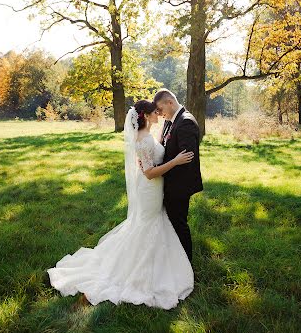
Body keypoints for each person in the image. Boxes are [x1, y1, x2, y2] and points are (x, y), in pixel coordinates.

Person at [47, 100, 195, 310]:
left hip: (153, 189)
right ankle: (138, 270)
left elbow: (147, 163)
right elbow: (149, 173)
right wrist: (175, 162)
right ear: (145, 115)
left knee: (152, 224)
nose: (158, 114)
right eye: (155, 112)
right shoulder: (143, 140)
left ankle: (160, 265)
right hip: (150, 188)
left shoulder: (148, 136)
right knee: (148, 225)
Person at [153, 89, 203, 264]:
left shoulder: (186, 122)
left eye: (160, 109)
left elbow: (186, 158)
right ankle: (174, 260)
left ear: (170, 103)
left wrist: (160, 169)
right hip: (168, 182)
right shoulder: (171, 120)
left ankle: (186, 264)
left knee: (179, 224)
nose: (159, 114)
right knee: (171, 222)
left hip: (179, 185)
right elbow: (165, 146)